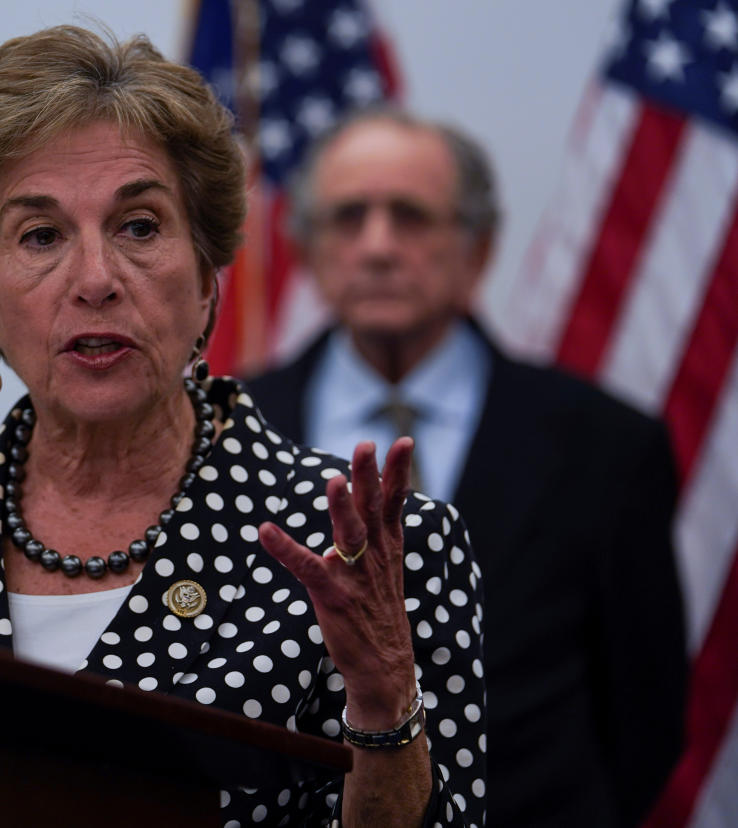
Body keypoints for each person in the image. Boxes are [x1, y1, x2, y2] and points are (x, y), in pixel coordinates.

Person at [0, 26, 485, 827]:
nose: (96, 279)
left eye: (139, 226)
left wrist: (382, 710)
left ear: (208, 282)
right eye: (41, 235)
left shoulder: (373, 548)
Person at [248, 108, 686, 827]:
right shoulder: (235, 429)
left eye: (412, 218)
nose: (379, 247)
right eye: (350, 217)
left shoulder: (605, 445)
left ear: (478, 250)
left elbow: (644, 716)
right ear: (309, 250)